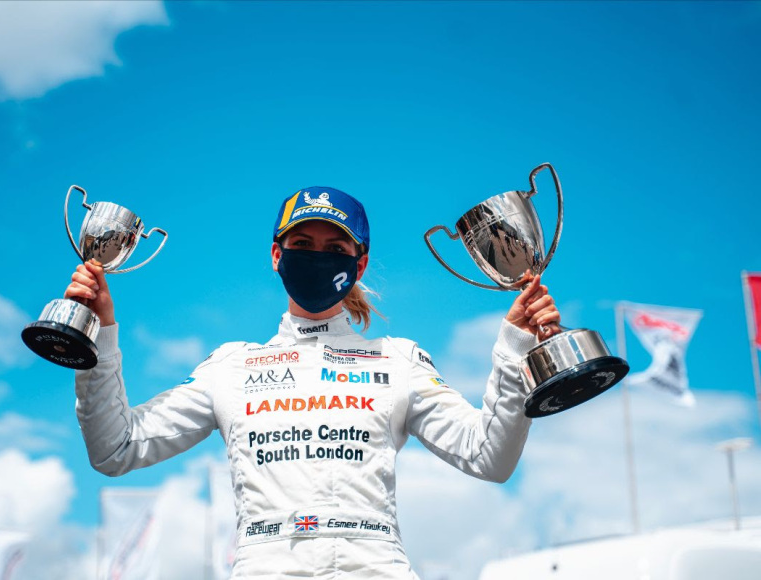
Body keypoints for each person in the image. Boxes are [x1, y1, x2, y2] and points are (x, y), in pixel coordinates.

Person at [68, 186, 561, 579]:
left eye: (334, 247)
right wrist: (99, 336)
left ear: (359, 263)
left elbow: (489, 457)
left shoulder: (398, 360)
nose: (317, 256)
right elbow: (115, 448)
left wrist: (516, 343)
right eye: (302, 245)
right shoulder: (230, 366)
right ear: (277, 256)